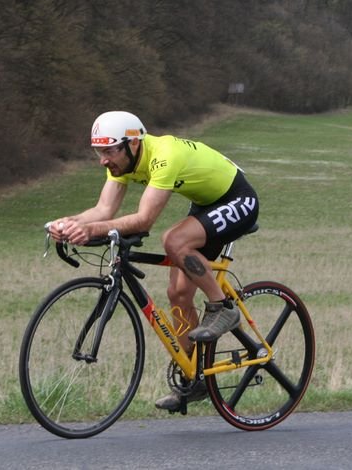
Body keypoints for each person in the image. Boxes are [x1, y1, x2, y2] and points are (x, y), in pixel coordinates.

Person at [48, 110, 258, 411]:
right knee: (178, 294)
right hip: (206, 205)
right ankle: (194, 379)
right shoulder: (121, 164)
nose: (103, 161)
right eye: (99, 152)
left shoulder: (164, 156)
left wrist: (90, 230)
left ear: (133, 144)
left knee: (174, 240)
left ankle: (222, 307)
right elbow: (102, 210)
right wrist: (68, 223)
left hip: (238, 200)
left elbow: (144, 220)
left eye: (109, 152)